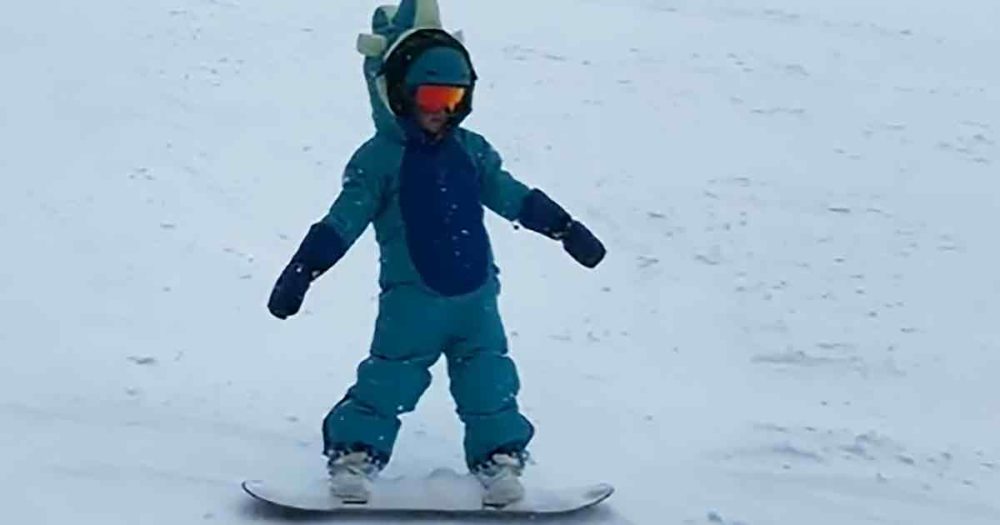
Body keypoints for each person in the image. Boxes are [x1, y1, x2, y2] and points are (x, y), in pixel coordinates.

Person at [266, 0, 606, 507]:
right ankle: (354, 454)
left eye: (453, 96)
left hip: (476, 298)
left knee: (490, 379)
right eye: (430, 94)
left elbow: (510, 193)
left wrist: (563, 226)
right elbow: (344, 221)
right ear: (398, 92)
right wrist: (304, 268)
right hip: (411, 303)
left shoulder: (472, 151)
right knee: (390, 377)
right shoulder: (379, 160)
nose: (440, 109)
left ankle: (499, 459)